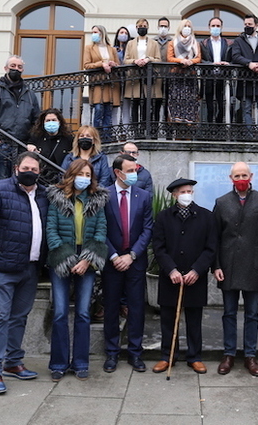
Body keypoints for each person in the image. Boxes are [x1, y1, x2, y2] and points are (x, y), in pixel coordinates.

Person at [0, 151, 49, 395]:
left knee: (19, 317)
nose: (30, 172)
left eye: (34, 170)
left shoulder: (43, 195)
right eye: (26, 168)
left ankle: (13, 362)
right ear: (16, 168)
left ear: (39, 173)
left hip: (31, 268)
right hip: (3, 268)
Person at [46, 158, 109, 381]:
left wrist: (86, 261)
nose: (84, 178)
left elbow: (101, 232)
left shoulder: (97, 200)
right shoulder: (56, 198)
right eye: (80, 174)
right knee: (60, 313)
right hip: (61, 261)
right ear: (71, 174)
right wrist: (68, 259)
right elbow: (51, 231)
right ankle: (58, 363)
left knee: (83, 314)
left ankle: (81, 363)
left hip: (87, 263)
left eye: (88, 175)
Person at [213, 161, 258, 377]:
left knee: (252, 314)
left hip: (254, 266)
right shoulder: (221, 203)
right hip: (228, 266)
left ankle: (250, 355)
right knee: (228, 313)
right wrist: (216, 265)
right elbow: (215, 238)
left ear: (251, 176)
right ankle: (228, 354)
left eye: (244, 175)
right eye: (237, 176)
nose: (241, 179)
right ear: (231, 179)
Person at [151, 178, 217, 374]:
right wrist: (170, 269)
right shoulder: (163, 217)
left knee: (194, 318)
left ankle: (195, 356)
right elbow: (158, 247)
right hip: (170, 276)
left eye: (189, 191)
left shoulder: (206, 217)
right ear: (174, 195)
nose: (187, 194)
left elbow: (211, 248)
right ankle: (167, 356)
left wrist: (197, 270)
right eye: (183, 192)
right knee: (168, 318)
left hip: (194, 276)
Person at [102, 153, 153, 373]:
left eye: (136, 170)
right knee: (111, 307)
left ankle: (135, 353)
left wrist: (132, 255)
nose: (134, 174)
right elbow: (99, 229)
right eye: (130, 170)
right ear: (117, 172)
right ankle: (112, 353)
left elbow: (148, 228)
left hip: (135, 261)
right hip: (111, 262)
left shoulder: (144, 196)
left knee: (136, 308)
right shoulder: (103, 195)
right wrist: (114, 256)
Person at [0, 55, 40, 181]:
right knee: (2, 179)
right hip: (2, 143)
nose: (16, 69)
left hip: (22, 145)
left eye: (19, 67)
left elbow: (37, 120)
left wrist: (32, 141)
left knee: (20, 180)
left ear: (23, 70)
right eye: (12, 66)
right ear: (5, 68)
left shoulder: (30, 94)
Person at [230, 14, 258, 131]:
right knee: (246, 109)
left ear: (256, 25)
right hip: (245, 79)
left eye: (250, 24)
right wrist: (249, 64)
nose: (247, 26)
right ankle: (248, 135)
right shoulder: (239, 40)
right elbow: (235, 56)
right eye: (245, 24)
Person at [123, 18, 162, 124]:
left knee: (146, 104)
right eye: (140, 27)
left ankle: (145, 129)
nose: (142, 28)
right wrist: (135, 61)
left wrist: (148, 59)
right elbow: (126, 60)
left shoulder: (154, 43)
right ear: (136, 28)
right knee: (135, 104)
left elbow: (158, 59)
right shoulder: (130, 43)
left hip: (149, 76)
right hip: (134, 76)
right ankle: (136, 132)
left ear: (148, 28)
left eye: (144, 26)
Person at [84, 25, 121, 132]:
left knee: (108, 111)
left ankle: (107, 137)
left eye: (95, 32)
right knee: (98, 109)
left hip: (110, 83)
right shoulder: (89, 48)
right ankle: (97, 135)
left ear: (102, 33)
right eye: (92, 32)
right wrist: (101, 64)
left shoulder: (111, 49)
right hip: (97, 83)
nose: (93, 35)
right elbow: (86, 65)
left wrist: (112, 64)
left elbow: (118, 65)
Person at [167, 19, 202, 124]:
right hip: (176, 76)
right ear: (180, 28)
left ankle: (189, 128)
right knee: (176, 102)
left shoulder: (195, 43)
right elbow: (169, 58)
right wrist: (181, 60)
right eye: (185, 26)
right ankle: (176, 128)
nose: (187, 28)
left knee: (190, 103)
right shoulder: (172, 42)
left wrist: (190, 61)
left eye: (189, 26)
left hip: (190, 76)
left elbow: (199, 58)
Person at [199, 17, 232, 124]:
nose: (215, 28)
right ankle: (210, 130)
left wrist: (228, 64)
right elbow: (200, 60)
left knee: (222, 107)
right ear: (209, 27)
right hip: (209, 79)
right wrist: (211, 64)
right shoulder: (203, 43)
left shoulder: (228, 43)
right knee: (210, 107)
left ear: (222, 27)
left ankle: (218, 127)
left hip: (223, 79)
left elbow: (233, 58)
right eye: (213, 26)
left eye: (218, 26)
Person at [27, 108, 74, 181]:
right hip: (41, 179)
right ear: (43, 122)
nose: (51, 122)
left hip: (61, 179)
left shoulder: (68, 139)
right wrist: (30, 146)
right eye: (48, 120)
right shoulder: (36, 137)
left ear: (59, 122)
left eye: (54, 120)